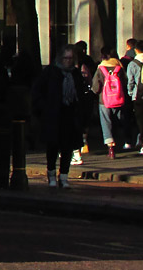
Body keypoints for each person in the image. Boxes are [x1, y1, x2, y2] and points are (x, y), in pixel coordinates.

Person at [33, 44, 90, 189]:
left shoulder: (75, 74)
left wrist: (82, 114)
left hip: (70, 115)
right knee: (52, 147)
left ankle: (64, 176)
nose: (68, 61)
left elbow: (81, 95)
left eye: (71, 58)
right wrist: (44, 107)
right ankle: (51, 174)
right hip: (53, 115)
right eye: (66, 58)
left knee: (67, 148)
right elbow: (37, 91)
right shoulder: (51, 72)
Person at [90, 49, 126, 158]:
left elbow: (95, 87)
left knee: (106, 122)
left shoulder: (101, 68)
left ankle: (110, 147)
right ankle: (120, 140)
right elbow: (124, 82)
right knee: (117, 120)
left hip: (104, 100)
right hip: (118, 98)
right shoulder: (119, 68)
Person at [127, 40, 143, 154]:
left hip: (138, 95)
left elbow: (130, 81)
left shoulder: (133, 64)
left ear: (136, 50)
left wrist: (130, 92)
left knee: (140, 120)